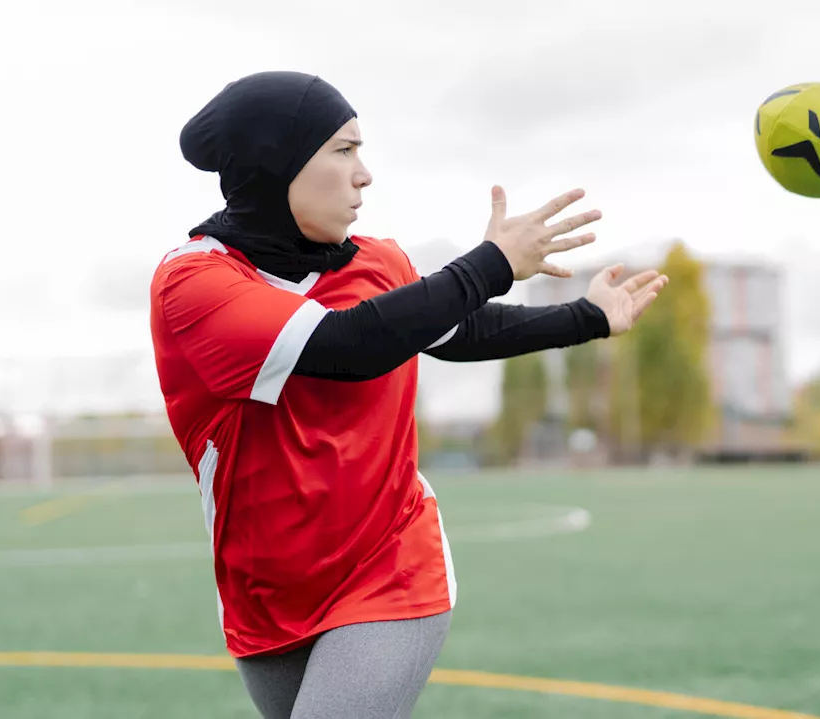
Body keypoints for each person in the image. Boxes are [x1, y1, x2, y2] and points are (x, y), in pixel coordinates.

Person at [149, 71, 667, 719]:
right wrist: (493, 263)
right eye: (342, 150)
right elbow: (347, 345)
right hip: (265, 590)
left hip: (389, 565)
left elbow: (455, 329)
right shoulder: (195, 283)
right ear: (273, 163)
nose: (364, 174)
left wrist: (586, 317)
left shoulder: (377, 260)